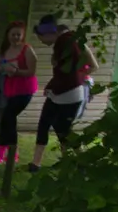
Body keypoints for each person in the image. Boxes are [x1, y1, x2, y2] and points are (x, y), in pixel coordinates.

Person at [28, 14, 97, 172]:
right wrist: (53, 85)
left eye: (41, 38)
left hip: (69, 94)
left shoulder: (67, 42)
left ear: (49, 33)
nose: (41, 42)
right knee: (45, 124)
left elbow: (90, 65)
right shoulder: (68, 41)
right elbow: (66, 70)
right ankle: (36, 163)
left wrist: (78, 77)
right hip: (58, 92)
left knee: (63, 130)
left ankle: (80, 162)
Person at [0, 20, 38, 165]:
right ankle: (10, 154)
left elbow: (31, 71)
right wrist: (1, 68)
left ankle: (3, 154)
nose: (16, 37)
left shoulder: (27, 50)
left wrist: (16, 71)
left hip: (24, 90)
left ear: (23, 36)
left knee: (7, 118)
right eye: (13, 34)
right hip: (9, 89)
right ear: (8, 35)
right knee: (8, 120)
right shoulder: (5, 49)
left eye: (18, 35)